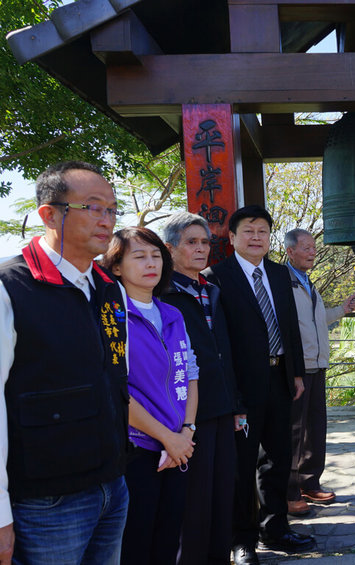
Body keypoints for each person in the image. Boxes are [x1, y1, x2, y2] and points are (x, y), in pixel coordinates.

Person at [0, 161, 129, 564]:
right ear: (49, 214)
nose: (106, 220)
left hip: (112, 485)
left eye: (111, 209)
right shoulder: (10, 287)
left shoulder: (109, 288)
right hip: (45, 500)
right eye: (93, 207)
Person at [203, 205, 313, 563]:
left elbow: (290, 328)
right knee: (241, 464)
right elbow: (218, 342)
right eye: (248, 231)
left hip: (279, 377)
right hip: (242, 386)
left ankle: (275, 527)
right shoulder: (215, 277)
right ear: (232, 238)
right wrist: (231, 394)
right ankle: (243, 539)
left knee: (279, 458)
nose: (256, 237)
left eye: (262, 231)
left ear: (270, 239)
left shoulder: (281, 275)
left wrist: (295, 372)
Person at [101, 226, 199, 565]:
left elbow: (191, 375)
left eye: (156, 255)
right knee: (136, 544)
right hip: (138, 449)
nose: (150, 263)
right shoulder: (112, 318)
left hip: (178, 448)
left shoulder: (173, 314)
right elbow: (117, 390)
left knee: (168, 539)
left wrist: (186, 432)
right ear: (116, 266)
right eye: (139, 256)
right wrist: (167, 439)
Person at [161, 212, 242, 565]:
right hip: (186, 417)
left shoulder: (210, 292)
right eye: (191, 242)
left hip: (223, 409)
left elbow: (225, 352)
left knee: (223, 495)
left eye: (205, 242)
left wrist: (237, 404)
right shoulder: (161, 295)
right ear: (170, 248)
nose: (200, 249)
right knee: (192, 506)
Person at [283, 228, 355, 516]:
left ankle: (309, 482)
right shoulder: (282, 282)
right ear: (290, 251)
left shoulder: (307, 282)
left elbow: (316, 321)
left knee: (315, 429)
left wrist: (342, 309)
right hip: (298, 369)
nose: (313, 252)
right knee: (294, 431)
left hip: (318, 366)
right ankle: (289, 490)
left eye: (314, 247)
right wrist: (294, 369)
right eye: (307, 247)